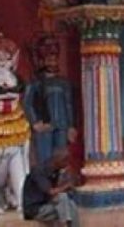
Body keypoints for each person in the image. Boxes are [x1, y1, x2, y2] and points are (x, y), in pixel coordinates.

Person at [24, 34, 77, 165]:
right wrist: (35, 122)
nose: (52, 61)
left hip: (62, 126)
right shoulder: (35, 83)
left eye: (54, 58)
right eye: (49, 58)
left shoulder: (63, 83)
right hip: (45, 126)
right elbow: (27, 103)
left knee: (61, 158)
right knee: (45, 160)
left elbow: (69, 105)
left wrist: (71, 126)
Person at [22, 148, 80, 227]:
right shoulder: (39, 171)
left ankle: (70, 223)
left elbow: (55, 195)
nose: (67, 164)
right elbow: (51, 191)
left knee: (71, 205)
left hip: (47, 205)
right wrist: (67, 185)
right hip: (35, 209)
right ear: (60, 160)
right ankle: (65, 223)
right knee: (65, 204)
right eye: (66, 161)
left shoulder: (55, 171)